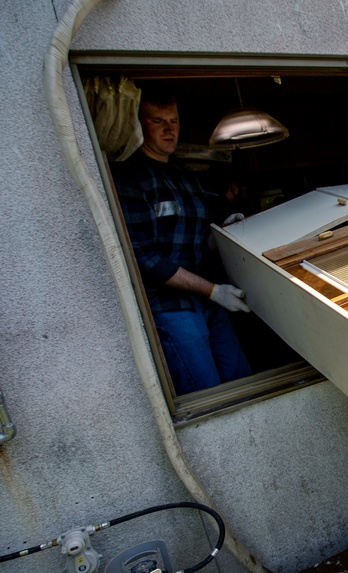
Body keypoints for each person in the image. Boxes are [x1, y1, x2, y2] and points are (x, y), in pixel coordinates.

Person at [112, 84, 252, 395]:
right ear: (139, 124)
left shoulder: (185, 175)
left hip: (207, 300)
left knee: (241, 379)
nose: (168, 129)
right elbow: (146, 259)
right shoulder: (131, 178)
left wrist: (224, 235)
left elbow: (201, 235)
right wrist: (214, 290)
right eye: (157, 121)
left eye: (173, 121)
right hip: (170, 307)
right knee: (207, 393)